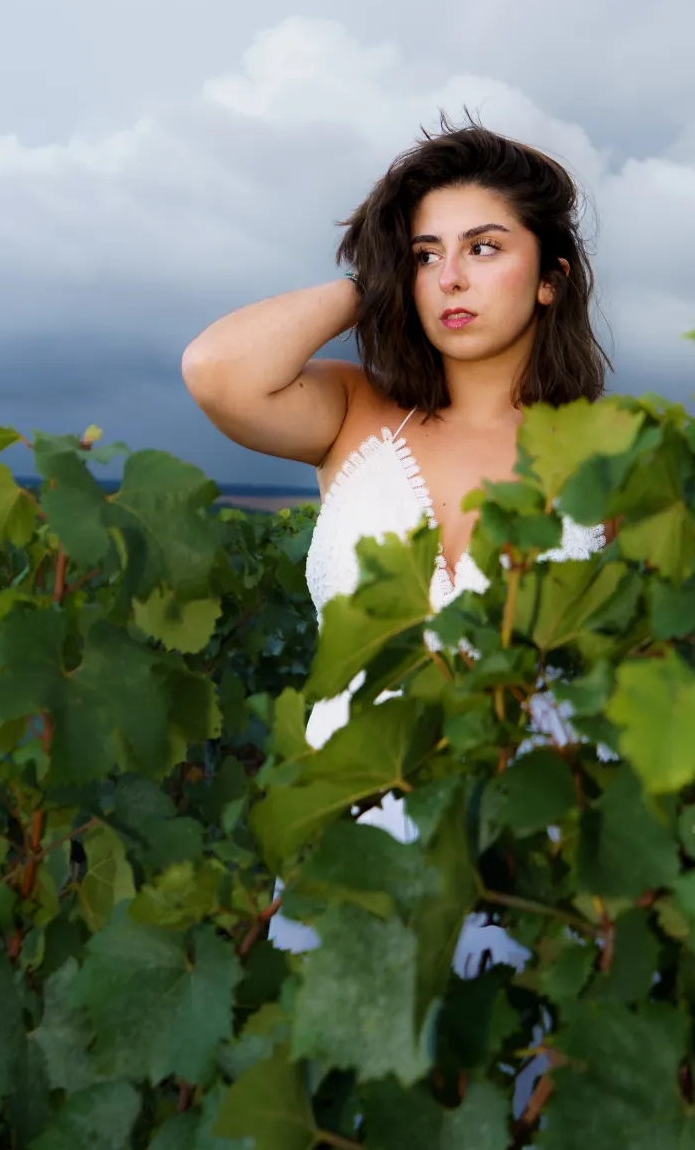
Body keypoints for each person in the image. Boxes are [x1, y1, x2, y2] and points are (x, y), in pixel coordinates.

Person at [180, 115, 616, 964]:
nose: (449, 276)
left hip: (541, 870)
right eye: (425, 254)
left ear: (551, 279)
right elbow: (215, 370)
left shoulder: (615, 452)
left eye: (484, 248)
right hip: (349, 864)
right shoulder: (356, 412)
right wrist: (371, 278)